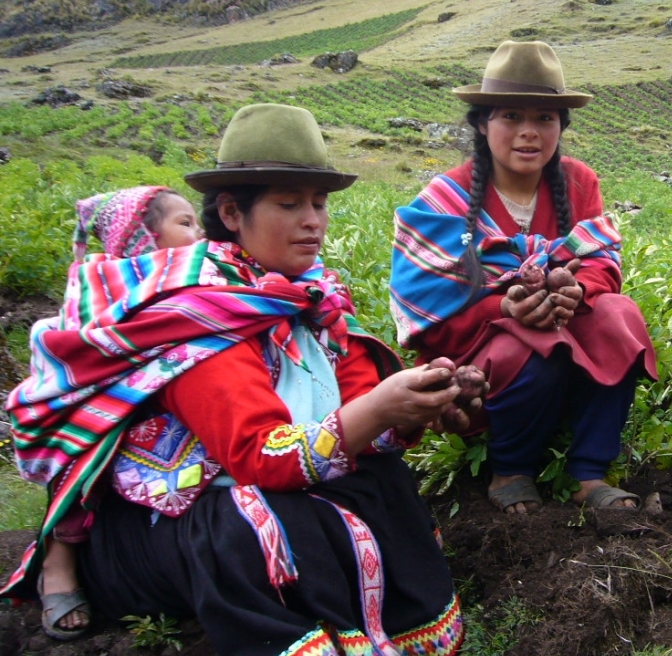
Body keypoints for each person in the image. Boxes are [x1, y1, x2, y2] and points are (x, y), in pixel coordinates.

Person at [4, 104, 466, 654]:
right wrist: (378, 411)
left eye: (318, 203)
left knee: (381, 479)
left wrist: (418, 403)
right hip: (177, 516)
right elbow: (257, 454)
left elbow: (360, 398)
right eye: (289, 204)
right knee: (253, 520)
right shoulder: (198, 314)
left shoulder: (314, 298)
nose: (313, 220)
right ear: (230, 212)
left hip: (273, 480)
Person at [391, 41, 658, 514]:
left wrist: (577, 292)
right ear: (481, 122)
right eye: (511, 116)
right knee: (525, 341)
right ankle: (511, 468)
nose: (528, 133)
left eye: (545, 119)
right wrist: (507, 309)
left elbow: (597, 262)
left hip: (563, 331)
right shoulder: (443, 200)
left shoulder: (579, 183)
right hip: (481, 358)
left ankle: (588, 473)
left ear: (561, 127)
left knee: (619, 312)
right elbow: (429, 309)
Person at [24, 185, 201, 641]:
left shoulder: (198, 281)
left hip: (166, 420)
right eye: (185, 223)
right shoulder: (101, 288)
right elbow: (78, 353)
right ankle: (57, 564)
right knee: (83, 445)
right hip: (107, 415)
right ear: (143, 237)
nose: (198, 232)